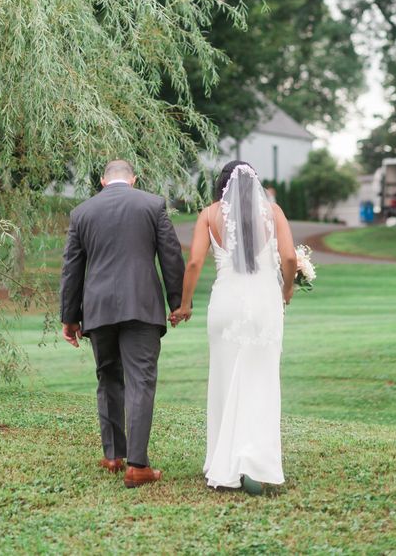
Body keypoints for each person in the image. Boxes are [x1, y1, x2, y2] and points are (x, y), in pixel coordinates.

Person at [171, 160, 297, 494]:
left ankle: (224, 464)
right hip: (264, 304)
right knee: (262, 380)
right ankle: (257, 465)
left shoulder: (209, 214)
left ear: (222, 186)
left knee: (225, 381)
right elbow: (289, 259)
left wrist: (184, 305)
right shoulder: (275, 212)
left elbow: (195, 262)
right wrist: (286, 291)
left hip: (226, 303)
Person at [60, 159, 185, 488]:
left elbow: (72, 269)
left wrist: (69, 317)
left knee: (108, 377)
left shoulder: (82, 213)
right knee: (140, 381)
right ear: (134, 179)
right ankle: (138, 466)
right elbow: (170, 255)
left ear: (102, 181)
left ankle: (114, 454)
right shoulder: (152, 204)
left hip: (99, 309)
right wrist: (177, 302)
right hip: (141, 305)